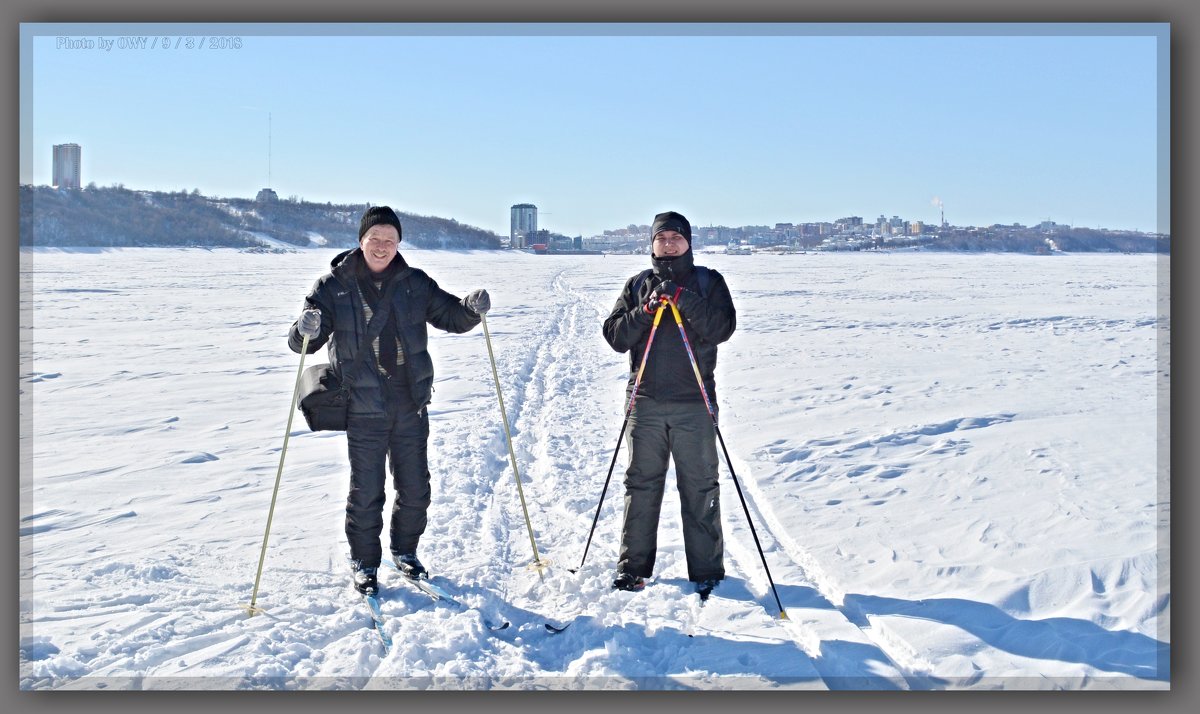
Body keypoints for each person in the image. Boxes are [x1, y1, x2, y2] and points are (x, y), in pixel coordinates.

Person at [288, 206, 491, 597]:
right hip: (363, 405)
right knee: (367, 491)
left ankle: (405, 552)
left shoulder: (414, 282)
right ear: (361, 241)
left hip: (409, 401)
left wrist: (469, 309)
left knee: (416, 488)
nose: (382, 247)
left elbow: (449, 315)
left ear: (399, 244)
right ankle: (364, 561)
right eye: (374, 239)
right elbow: (302, 343)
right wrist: (304, 328)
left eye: (390, 240)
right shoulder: (333, 286)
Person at [601, 210, 737, 599]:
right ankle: (633, 569)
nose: (669, 244)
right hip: (645, 403)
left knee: (700, 486)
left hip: (694, 403)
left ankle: (707, 571)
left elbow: (721, 328)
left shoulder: (709, 282)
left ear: (689, 243)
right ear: (652, 244)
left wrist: (683, 299)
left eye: (676, 238)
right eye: (662, 238)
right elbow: (615, 336)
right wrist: (645, 311)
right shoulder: (638, 284)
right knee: (640, 486)